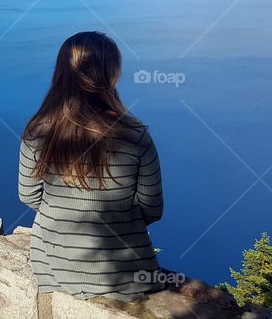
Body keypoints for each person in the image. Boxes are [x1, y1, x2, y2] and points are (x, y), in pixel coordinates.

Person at [19, 31, 164, 300]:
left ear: (61, 73)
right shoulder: (136, 136)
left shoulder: (36, 131)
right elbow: (152, 209)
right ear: (111, 74)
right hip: (126, 276)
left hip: (52, 269)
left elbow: (28, 195)